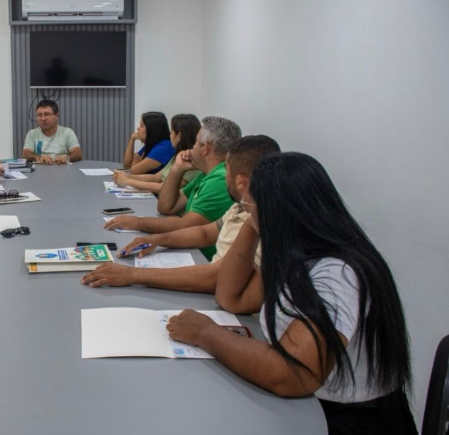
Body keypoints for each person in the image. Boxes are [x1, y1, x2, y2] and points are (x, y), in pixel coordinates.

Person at [167, 153, 417, 435]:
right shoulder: (297, 252)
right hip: (311, 407)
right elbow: (230, 297)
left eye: (251, 203)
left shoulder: (336, 272)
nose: (247, 208)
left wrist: (205, 333)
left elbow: (294, 374)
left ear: (280, 210)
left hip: (349, 421)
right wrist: (253, 222)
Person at [82, 135, 280, 289]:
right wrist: (157, 239)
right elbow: (204, 232)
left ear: (240, 181)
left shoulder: (262, 221)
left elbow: (217, 277)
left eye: (226, 168)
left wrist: (133, 275)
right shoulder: (241, 205)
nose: (223, 173)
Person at [105, 116, 240, 233]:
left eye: (196, 142)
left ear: (205, 148)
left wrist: (137, 223)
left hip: (201, 255)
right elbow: (166, 207)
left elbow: (185, 225)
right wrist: (177, 169)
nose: (192, 147)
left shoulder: (219, 179)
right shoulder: (206, 174)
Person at [113, 114, 201, 193]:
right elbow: (156, 177)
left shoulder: (189, 161)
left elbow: (162, 187)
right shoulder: (178, 155)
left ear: (179, 136)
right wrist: (126, 177)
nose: (170, 135)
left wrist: (128, 181)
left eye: (172, 132)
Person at [21, 99, 82, 164]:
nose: (43, 118)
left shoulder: (67, 132)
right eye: (39, 115)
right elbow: (26, 154)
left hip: (62, 168)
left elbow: (78, 153)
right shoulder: (32, 133)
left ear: (56, 116)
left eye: (47, 114)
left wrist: (66, 157)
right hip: (40, 168)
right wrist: (39, 158)